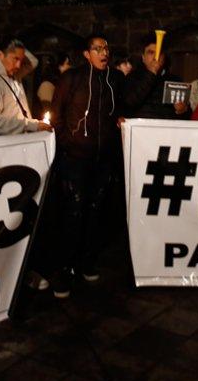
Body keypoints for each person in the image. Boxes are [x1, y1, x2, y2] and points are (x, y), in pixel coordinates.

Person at [46, 33, 160, 297]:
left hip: (102, 159)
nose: (103, 52)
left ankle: (85, 262)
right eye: (97, 48)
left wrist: (152, 74)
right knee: (72, 213)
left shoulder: (115, 79)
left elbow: (129, 102)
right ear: (87, 54)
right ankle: (62, 270)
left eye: (106, 47)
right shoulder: (72, 78)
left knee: (95, 212)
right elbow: (58, 113)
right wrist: (66, 143)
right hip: (74, 158)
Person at [0, 39, 52, 136]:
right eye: (15, 59)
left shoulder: (13, 74)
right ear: (0, 55)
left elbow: (33, 61)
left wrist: (13, 42)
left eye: (21, 60)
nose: (18, 65)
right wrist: (31, 125)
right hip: (2, 147)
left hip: (15, 144)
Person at [132, 39, 190, 120]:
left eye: (159, 53)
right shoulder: (133, 77)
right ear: (143, 57)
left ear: (164, 58)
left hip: (167, 129)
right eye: (151, 52)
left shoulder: (175, 80)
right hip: (141, 129)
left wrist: (182, 110)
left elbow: (188, 115)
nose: (156, 57)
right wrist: (151, 74)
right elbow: (130, 103)